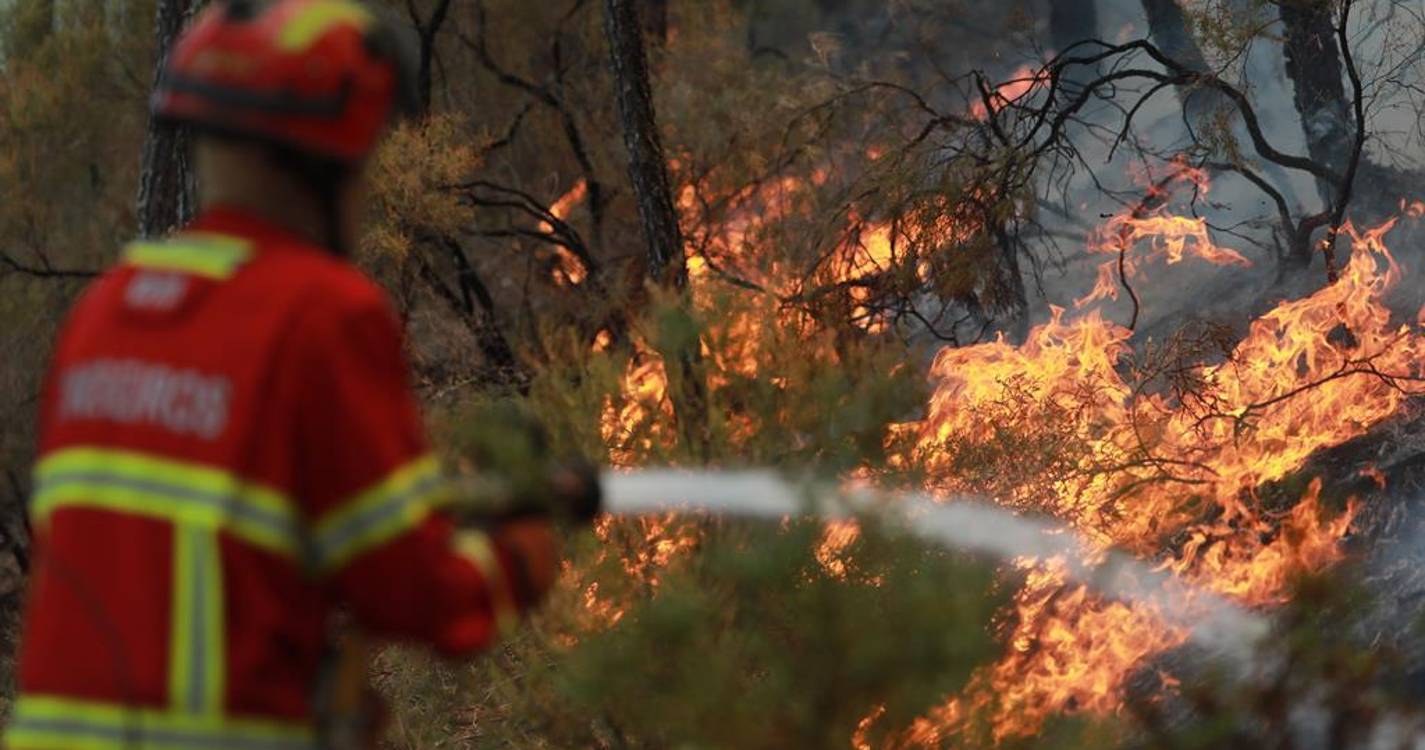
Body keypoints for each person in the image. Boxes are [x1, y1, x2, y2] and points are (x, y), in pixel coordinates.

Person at [4, 1, 598, 748]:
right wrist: (519, 556)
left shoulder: (105, 313)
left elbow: (197, 554)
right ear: (330, 161)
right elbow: (417, 598)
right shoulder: (318, 314)